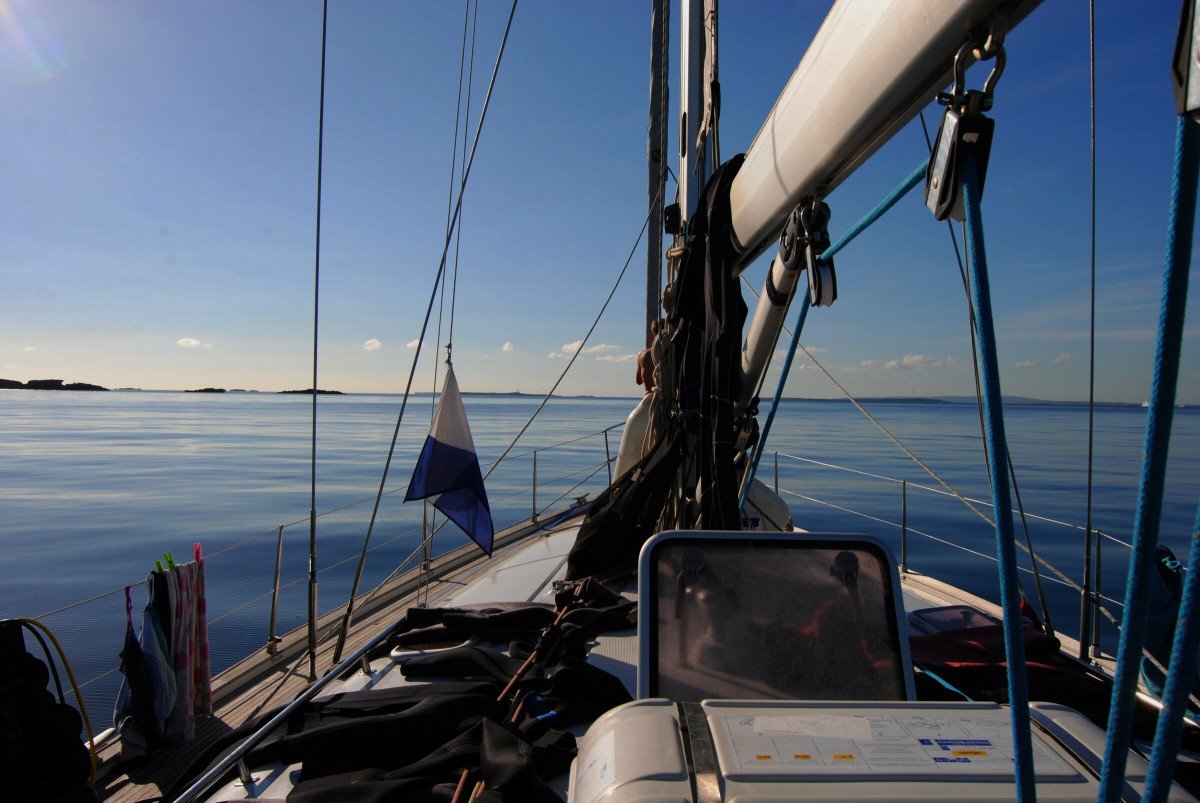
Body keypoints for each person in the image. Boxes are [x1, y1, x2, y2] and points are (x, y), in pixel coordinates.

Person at [636, 320, 660, 394]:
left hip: (648, 398)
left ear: (653, 333)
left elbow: (639, 381)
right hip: (667, 399)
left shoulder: (642, 355)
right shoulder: (672, 352)